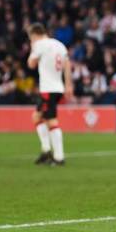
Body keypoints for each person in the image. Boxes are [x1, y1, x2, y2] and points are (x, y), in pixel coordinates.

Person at [27, 23, 73, 166]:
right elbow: (67, 64)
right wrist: (68, 84)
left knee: (51, 120)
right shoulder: (59, 45)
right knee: (37, 116)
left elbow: (31, 64)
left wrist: (32, 49)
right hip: (58, 87)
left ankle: (59, 157)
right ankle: (46, 150)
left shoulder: (39, 44)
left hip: (48, 88)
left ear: (34, 35)